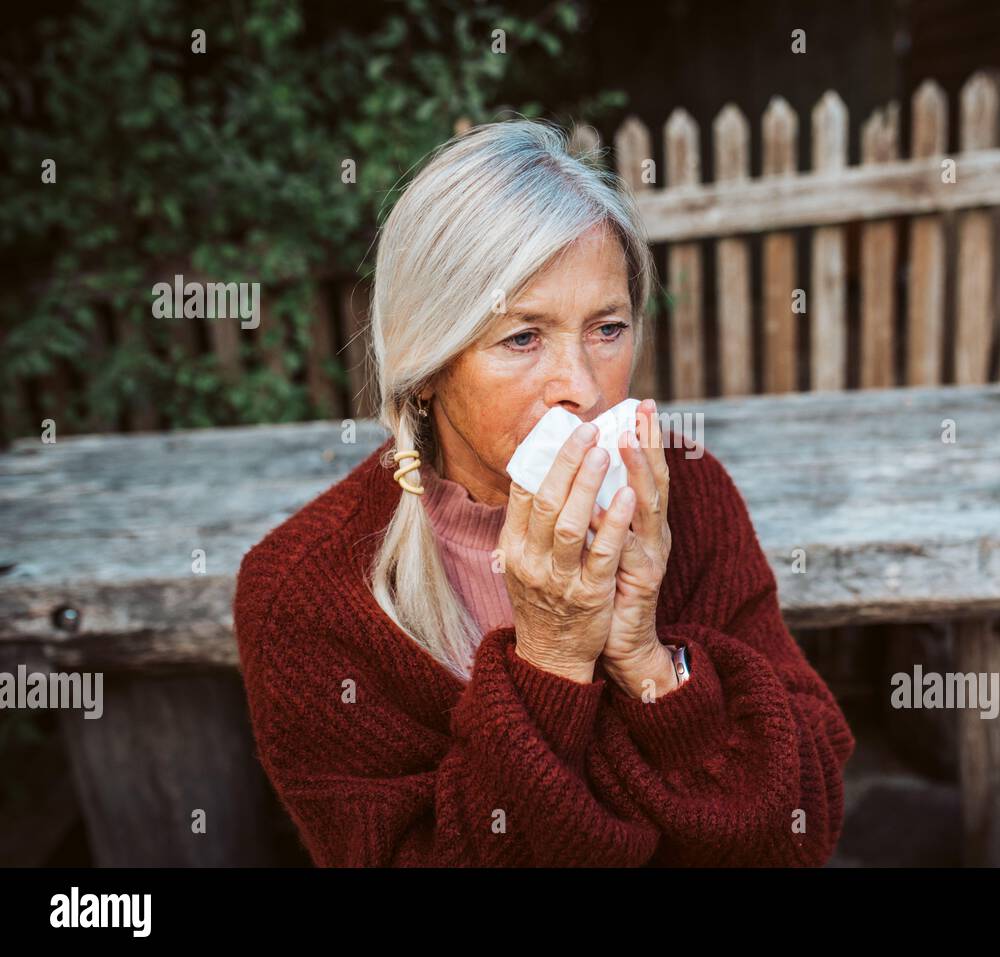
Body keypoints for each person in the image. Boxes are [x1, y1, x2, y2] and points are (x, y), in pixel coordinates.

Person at [233, 118, 856, 866]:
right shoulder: (306, 594)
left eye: (606, 328)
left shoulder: (687, 494)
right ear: (425, 367)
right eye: (523, 337)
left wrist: (648, 662)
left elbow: (802, 828)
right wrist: (553, 661)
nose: (583, 389)